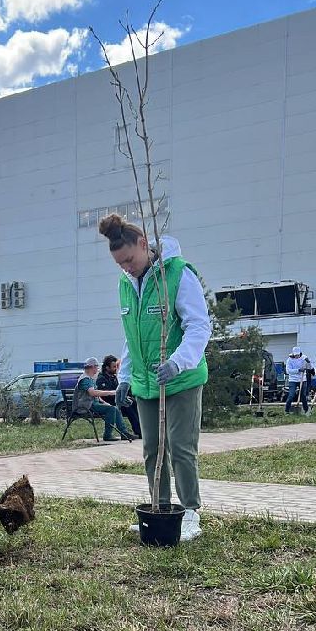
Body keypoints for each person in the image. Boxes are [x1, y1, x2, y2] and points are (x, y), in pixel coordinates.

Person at [98, 213, 211, 542]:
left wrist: (177, 363)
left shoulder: (178, 275)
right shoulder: (125, 283)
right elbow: (133, 336)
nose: (127, 268)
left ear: (144, 245)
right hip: (147, 383)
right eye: (120, 264)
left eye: (130, 259)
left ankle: (190, 512)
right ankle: (160, 508)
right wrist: (125, 376)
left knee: (180, 447)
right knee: (153, 448)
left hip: (182, 379)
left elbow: (199, 326)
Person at [72, 357, 135, 442]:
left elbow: (95, 397)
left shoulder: (89, 378)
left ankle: (124, 433)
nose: (97, 369)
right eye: (96, 367)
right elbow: (92, 393)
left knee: (114, 408)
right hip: (85, 406)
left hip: (91, 404)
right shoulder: (85, 379)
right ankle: (108, 435)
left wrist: (104, 402)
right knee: (111, 410)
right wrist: (111, 392)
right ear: (92, 367)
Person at [96, 354, 142, 437]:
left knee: (133, 402)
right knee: (128, 406)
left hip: (117, 400)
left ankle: (140, 429)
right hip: (109, 402)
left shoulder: (114, 378)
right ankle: (138, 431)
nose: (116, 369)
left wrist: (128, 396)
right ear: (107, 368)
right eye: (114, 367)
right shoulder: (101, 379)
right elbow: (104, 393)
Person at [285, 348, 310, 414]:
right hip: (293, 379)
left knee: (303, 395)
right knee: (291, 395)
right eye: (296, 355)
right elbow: (288, 371)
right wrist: (298, 370)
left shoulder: (303, 358)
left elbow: (309, 366)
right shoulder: (289, 360)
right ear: (293, 354)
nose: (297, 356)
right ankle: (287, 410)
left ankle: (306, 410)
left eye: (298, 355)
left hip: (302, 379)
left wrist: (308, 362)